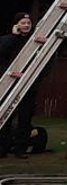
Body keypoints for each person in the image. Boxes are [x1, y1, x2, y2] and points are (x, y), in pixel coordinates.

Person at [0, 14, 38, 158]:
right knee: (6, 116)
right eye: (23, 23)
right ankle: (3, 148)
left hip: (28, 85)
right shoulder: (6, 39)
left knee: (25, 118)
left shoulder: (33, 41)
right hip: (9, 84)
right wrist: (13, 36)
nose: (26, 25)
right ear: (16, 25)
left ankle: (20, 149)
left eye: (28, 23)